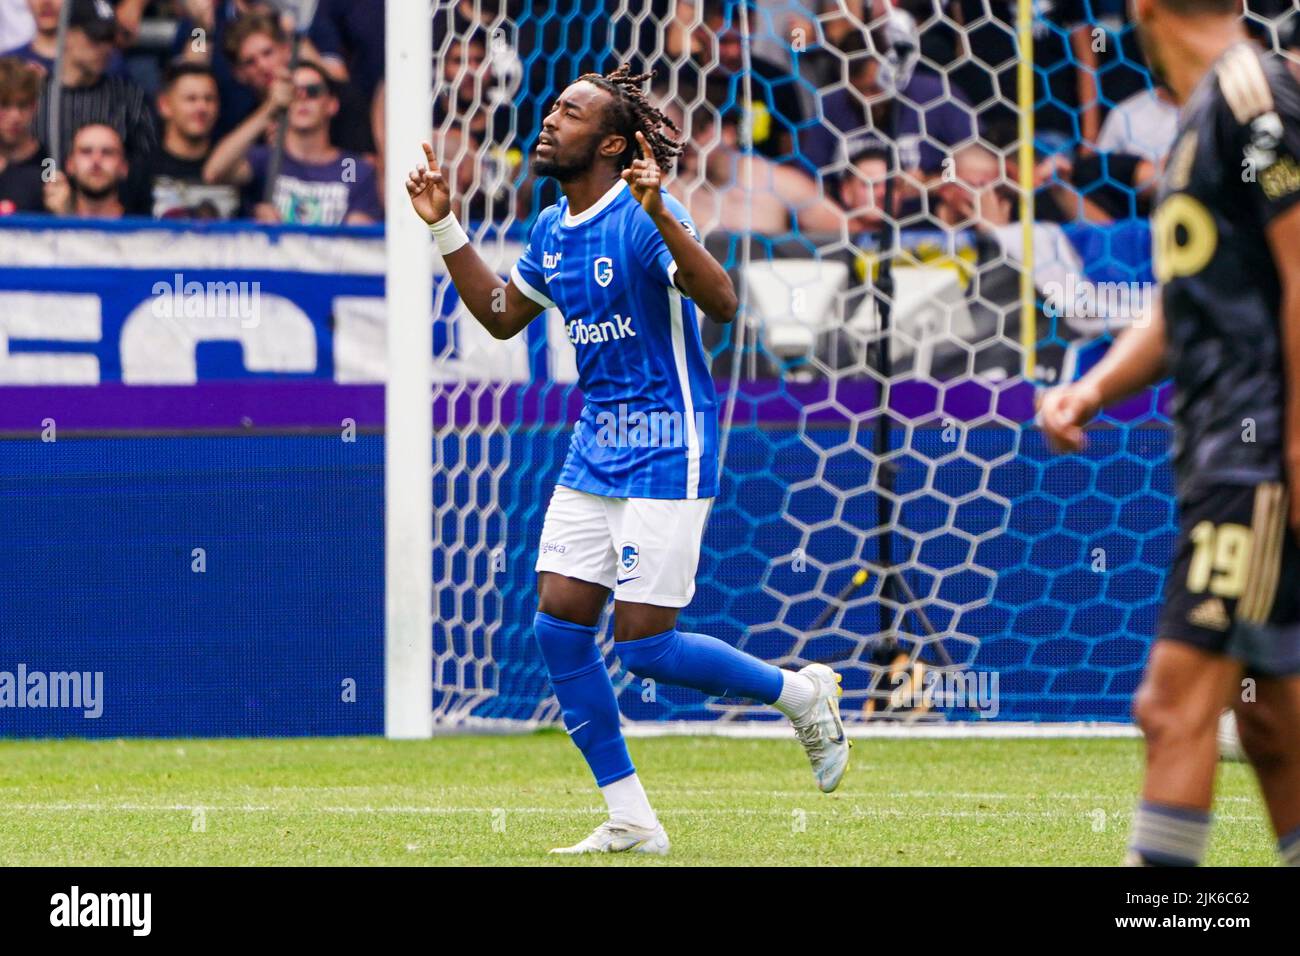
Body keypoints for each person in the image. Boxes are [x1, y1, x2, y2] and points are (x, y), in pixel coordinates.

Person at [405, 65, 850, 856]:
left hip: (668, 442)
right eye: (552, 107)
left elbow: (721, 301)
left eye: (570, 113)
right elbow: (504, 317)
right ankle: (631, 818)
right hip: (595, 447)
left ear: (612, 142)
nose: (549, 120)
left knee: (646, 646)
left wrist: (662, 214)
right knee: (560, 630)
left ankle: (800, 693)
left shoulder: (647, 213)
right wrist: (445, 228)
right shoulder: (551, 226)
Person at [1039, 0, 1300, 867]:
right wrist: (1095, 389)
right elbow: (1187, 291)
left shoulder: (1254, 92)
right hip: (1230, 450)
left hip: (1258, 454)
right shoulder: (1204, 115)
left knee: (1172, 704)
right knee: (1269, 717)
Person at [204, 60, 379, 224]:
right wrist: (271, 107)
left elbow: (358, 242)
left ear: (332, 104)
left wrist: (285, 234)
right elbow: (214, 173)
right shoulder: (264, 160)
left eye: (313, 91)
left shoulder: (353, 168)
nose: (302, 97)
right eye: (293, 92)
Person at [148, 61, 238, 220]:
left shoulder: (235, 167)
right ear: (164, 105)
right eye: (191, 99)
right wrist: (202, 34)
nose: (202, 107)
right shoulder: (143, 167)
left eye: (209, 99)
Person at [44, 121, 127, 218]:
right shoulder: (43, 230)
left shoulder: (145, 229)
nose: (96, 160)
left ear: (124, 167)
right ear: (70, 164)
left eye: (107, 152)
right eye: (86, 151)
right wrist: (63, 219)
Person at [0, 55, 45, 215]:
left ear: (34, 107)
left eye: (23, 105)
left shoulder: (49, 161)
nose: (15, 117)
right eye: (4, 105)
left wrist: (64, 210)